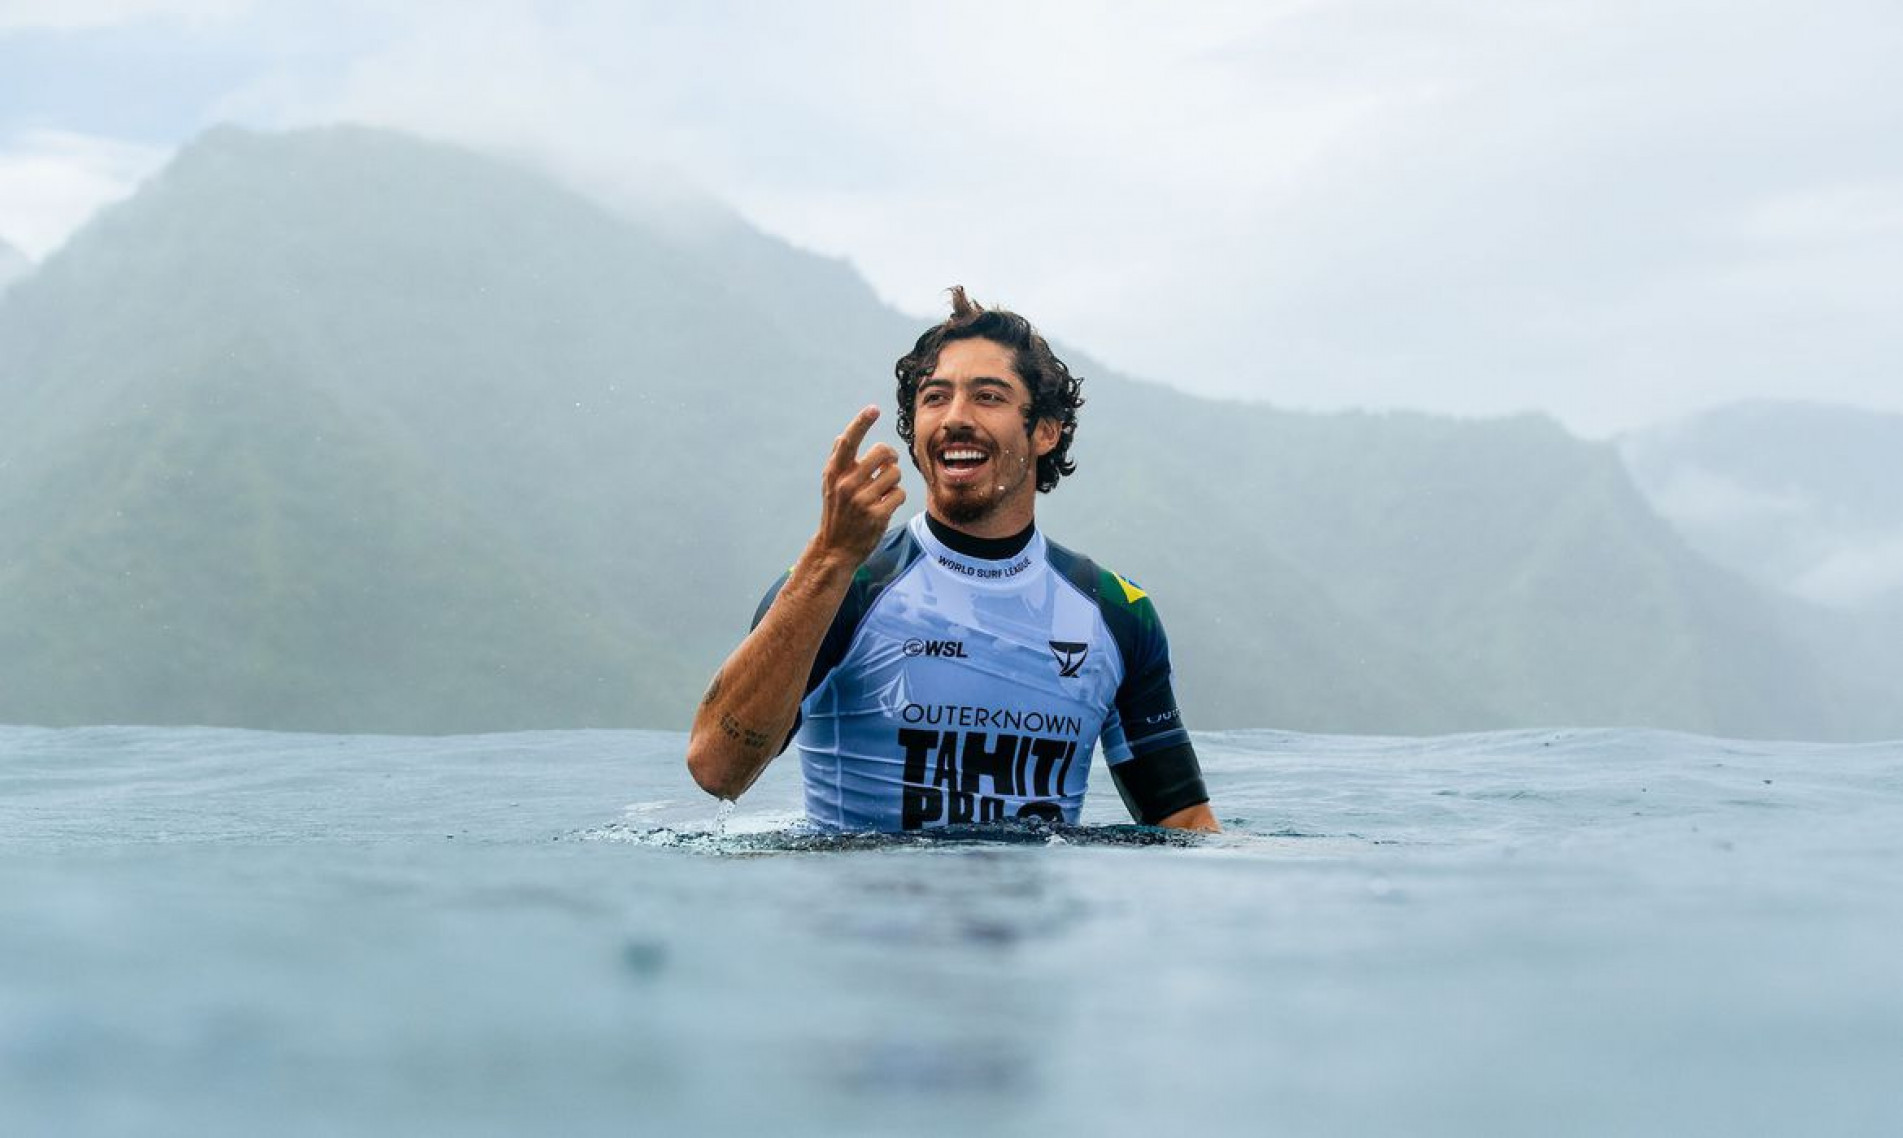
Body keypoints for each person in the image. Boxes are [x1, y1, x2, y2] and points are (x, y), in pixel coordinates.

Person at [685, 287, 1217, 833]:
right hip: (862, 916)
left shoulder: (1116, 612)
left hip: (1037, 919)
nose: (955, 417)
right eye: (935, 398)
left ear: (1045, 432)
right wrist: (828, 558)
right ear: (912, 433)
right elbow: (716, 769)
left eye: (988, 396)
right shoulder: (841, 585)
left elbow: (1185, 822)